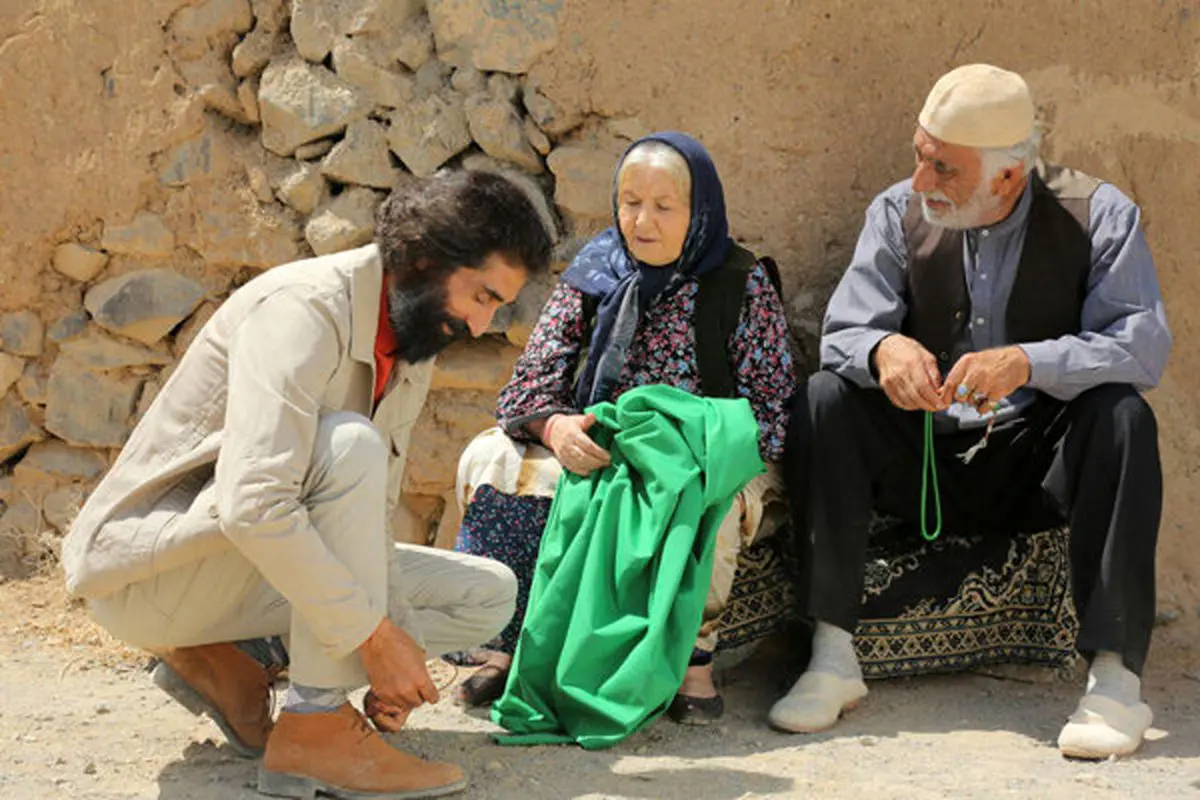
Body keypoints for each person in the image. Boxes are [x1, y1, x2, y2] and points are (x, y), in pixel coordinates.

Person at [62, 170, 552, 798]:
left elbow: (369, 515)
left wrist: (391, 648)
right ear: (427, 260)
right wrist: (371, 640)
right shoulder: (301, 310)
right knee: (347, 444)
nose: (483, 326)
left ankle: (236, 659)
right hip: (155, 580)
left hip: (242, 576)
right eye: (482, 296)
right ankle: (314, 728)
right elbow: (255, 506)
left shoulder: (410, 339)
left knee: (488, 594)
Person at [772, 64, 1171, 760]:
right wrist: (883, 350)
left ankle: (1115, 682)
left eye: (943, 168)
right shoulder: (898, 211)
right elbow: (843, 333)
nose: (922, 180)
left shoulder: (1099, 214)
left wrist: (1029, 362)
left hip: (1036, 460)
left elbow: (1141, 347)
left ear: (1009, 177)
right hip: (925, 456)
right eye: (919, 156)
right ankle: (832, 657)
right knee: (824, 399)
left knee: (1122, 418)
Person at [451, 131, 797, 724]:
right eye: (630, 201)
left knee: (711, 503)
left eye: (664, 206)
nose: (642, 220)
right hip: (597, 443)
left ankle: (694, 662)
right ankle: (507, 645)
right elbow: (532, 378)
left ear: (700, 211)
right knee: (494, 459)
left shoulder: (741, 282)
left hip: (697, 453)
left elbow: (773, 406)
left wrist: (680, 442)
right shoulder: (594, 272)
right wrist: (556, 427)